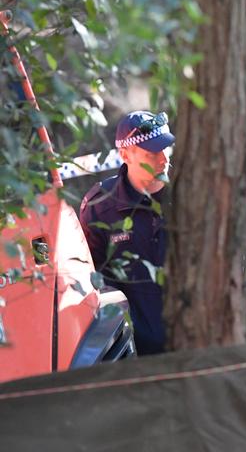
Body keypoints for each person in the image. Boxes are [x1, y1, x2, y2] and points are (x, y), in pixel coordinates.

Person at [80, 110, 175, 355]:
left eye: (167, 148)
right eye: (153, 152)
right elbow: (93, 281)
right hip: (134, 355)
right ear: (125, 155)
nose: (164, 158)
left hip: (195, 347)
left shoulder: (192, 192)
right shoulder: (99, 206)